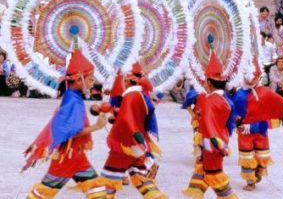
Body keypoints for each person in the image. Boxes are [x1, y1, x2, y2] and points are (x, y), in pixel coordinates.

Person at [24, 50, 108, 199]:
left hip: (74, 155)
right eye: (90, 79)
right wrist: (97, 126)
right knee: (43, 193)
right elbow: (72, 131)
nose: (92, 83)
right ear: (78, 79)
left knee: (97, 191)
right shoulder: (73, 101)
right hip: (68, 157)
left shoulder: (72, 97)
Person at [98, 66, 167, 199]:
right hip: (136, 146)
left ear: (128, 81)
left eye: (124, 79)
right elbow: (136, 114)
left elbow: (127, 118)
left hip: (125, 144)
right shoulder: (141, 95)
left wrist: (134, 133)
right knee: (141, 178)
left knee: (108, 179)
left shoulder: (130, 96)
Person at [183, 49, 238, 199]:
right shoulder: (227, 101)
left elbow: (208, 123)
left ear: (208, 82)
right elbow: (228, 124)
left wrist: (215, 141)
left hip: (212, 142)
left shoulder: (209, 101)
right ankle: (196, 194)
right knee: (202, 169)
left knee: (215, 174)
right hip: (219, 139)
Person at [230, 69, 283, 191]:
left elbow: (280, 102)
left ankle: (257, 173)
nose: (252, 79)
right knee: (247, 157)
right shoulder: (238, 93)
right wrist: (236, 120)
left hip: (261, 129)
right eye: (249, 77)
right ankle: (250, 180)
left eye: (255, 77)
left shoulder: (264, 91)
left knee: (261, 154)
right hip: (245, 131)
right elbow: (232, 109)